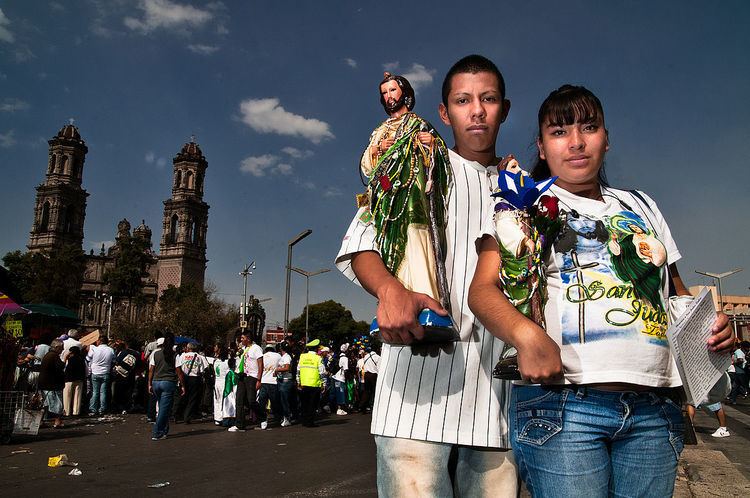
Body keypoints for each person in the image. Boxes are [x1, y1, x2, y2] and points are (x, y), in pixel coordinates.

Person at [468, 84, 735, 497]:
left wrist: (713, 331)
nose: (575, 142)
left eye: (588, 127)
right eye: (559, 132)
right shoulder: (518, 204)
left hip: (655, 406)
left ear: (606, 138)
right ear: (541, 146)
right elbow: (483, 291)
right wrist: (526, 335)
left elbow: (677, 294)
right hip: (562, 405)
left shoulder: (641, 205)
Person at [336, 55, 518, 496]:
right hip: (414, 394)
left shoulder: (523, 188)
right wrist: (390, 289)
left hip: (497, 399)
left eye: (488, 99)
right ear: (444, 112)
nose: (476, 110)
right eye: (463, 100)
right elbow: (361, 241)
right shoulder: (414, 160)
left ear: (504, 109)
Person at [360, 72, 451, 309]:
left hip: (413, 192)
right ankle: (396, 302)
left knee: (415, 230)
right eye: (385, 93)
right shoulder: (379, 131)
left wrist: (431, 146)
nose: (389, 96)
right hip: (386, 200)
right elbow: (366, 167)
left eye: (392, 90)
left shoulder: (418, 124)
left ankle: (426, 297)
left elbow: (444, 161)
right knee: (386, 248)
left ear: (404, 92)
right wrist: (378, 149)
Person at [148, 332, 185, 440]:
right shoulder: (174, 355)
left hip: (156, 382)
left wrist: (149, 383)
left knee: (163, 407)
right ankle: (157, 432)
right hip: (168, 383)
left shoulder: (156, 354)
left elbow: (151, 370)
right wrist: (182, 385)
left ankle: (164, 430)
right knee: (164, 409)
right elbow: (179, 372)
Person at [228, 331, 263, 432]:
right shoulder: (243, 349)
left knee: (251, 400)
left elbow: (260, 364)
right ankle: (239, 424)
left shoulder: (256, 348)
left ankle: (262, 416)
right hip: (242, 376)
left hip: (252, 377)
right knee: (239, 400)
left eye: (243, 338)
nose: (241, 340)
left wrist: (259, 379)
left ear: (248, 338)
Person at [176, 342, 209, 423]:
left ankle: (178, 415)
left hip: (184, 377)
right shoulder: (199, 357)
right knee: (192, 398)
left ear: (188, 348)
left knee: (183, 396)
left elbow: (178, 367)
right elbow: (203, 369)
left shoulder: (182, 356)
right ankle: (187, 416)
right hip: (194, 379)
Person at [297, 339, 326, 428]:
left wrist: (298, 382)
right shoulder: (318, 358)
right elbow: (322, 372)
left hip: (304, 384)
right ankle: (310, 422)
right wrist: (324, 384)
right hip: (314, 384)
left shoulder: (302, 356)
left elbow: (298, 370)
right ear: (316, 349)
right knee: (312, 404)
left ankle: (304, 421)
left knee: (304, 404)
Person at [38, 339, 65, 428]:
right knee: (57, 403)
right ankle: (57, 421)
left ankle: (40, 421)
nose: (63, 349)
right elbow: (60, 367)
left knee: (45, 404)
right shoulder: (53, 356)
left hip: (45, 383)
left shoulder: (48, 355)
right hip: (52, 384)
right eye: (61, 348)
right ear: (57, 347)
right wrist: (65, 359)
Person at [87, 335, 115, 415]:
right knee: (103, 392)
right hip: (105, 372)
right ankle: (102, 408)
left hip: (95, 372)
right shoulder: (111, 350)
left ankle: (93, 408)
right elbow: (114, 360)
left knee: (95, 392)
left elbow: (88, 359)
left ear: (100, 341)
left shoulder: (94, 349)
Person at [210, 345, 236, 427]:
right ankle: (226, 419)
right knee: (227, 402)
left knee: (217, 401)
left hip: (217, 383)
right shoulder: (229, 362)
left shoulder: (215, 361)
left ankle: (218, 418)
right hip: (226, 384)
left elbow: (214, 373)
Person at [258, 344, 282, 429]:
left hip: (263, 382)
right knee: (275, 402)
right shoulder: (278, 356)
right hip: (273, 382)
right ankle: (278, 418)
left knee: (262, 403)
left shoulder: (262, 356)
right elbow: (281, 366)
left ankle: (263, 420)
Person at [112, 340, 139, 414]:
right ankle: (127, 407)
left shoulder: (124, 352)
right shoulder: (137, 354)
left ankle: (119, 407)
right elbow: (138, 366)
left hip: (120, 376)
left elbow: (117, 361)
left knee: (119, 392)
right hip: (131, 376)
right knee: (128, 392)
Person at [63, 345, 86, 417]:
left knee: (67, 396)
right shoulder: (82, 359)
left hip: (69, 379)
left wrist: (65, 359)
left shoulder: (70, 359)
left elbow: (67, 369)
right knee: (77, 396)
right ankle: (76, 412)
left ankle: (66, 412)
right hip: (79, 379)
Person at [275, 342, 294, 427]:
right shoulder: (283, 357)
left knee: (284, 400)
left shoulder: (287, 357)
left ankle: (287, 418)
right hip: (281, 380)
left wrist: (277, 369)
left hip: (286, 381)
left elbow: (287, 368)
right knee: (282, 400)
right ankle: (285, 417)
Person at [358, 347, 380, 413]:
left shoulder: (366, 357)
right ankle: (373, 405)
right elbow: (379, 368)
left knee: (366, 391)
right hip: (373, 375)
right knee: (374, 391)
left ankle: (362, 406)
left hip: (366, 375)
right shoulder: (377, 357)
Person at [331, 343, 349, 415]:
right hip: (340, 378)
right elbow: (346, 369)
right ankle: (339, 409)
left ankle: (333, 407)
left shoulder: (337, 357)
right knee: (340, 393)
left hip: (335, 377)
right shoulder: (345, 358)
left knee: (335, 392)